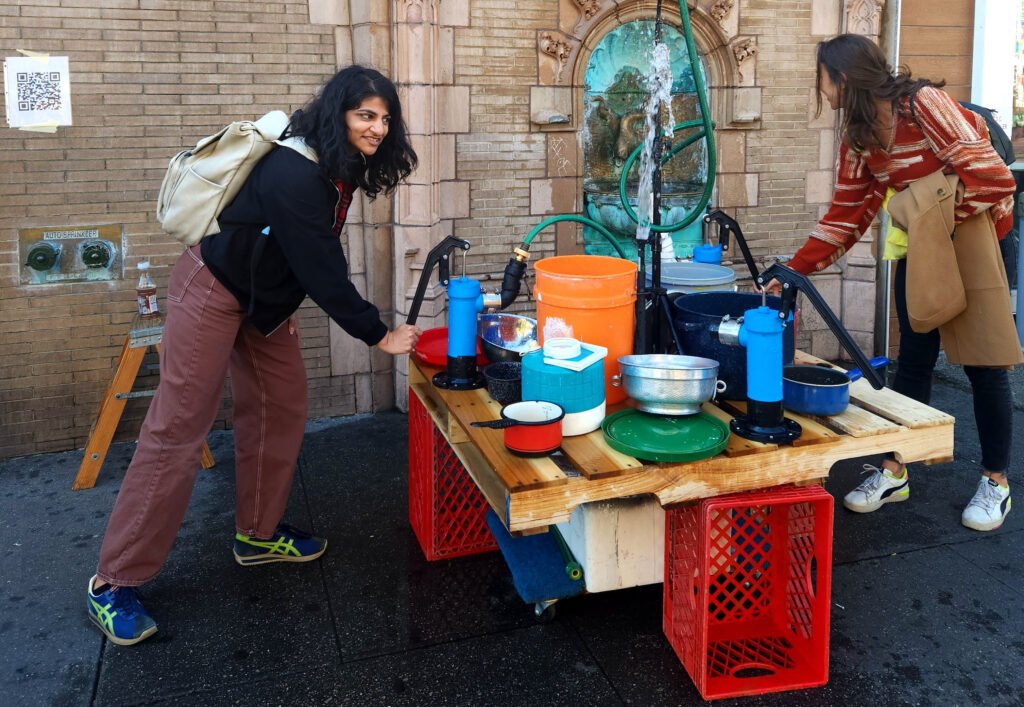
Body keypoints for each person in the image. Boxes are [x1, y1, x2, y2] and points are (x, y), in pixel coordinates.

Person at [86, 65, 422, 646]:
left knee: (281, 406)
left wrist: (281, 302)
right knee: (178, 428)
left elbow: (297, 251)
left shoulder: (335, 164)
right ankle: (112, 581)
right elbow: (321, 266)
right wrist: (378, 334)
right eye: (365, 115)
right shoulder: (297, 171)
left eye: (385, 118)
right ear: (338, 113)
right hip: (213, 288)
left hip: (262, 301)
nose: (377, 127)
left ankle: (258, 534)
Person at [765, 34, 1019, 532]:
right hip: (928, 244)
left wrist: (936, 220)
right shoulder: (860, 137)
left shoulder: (923, 106)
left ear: (842, 77)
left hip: (982, 237)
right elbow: (846, 216)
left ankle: (996, 482)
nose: (821, 89)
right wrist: (794, 270)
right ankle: (895, 471)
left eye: (822, 78)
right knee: (914, 359)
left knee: (985, 365)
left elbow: (993, 179)